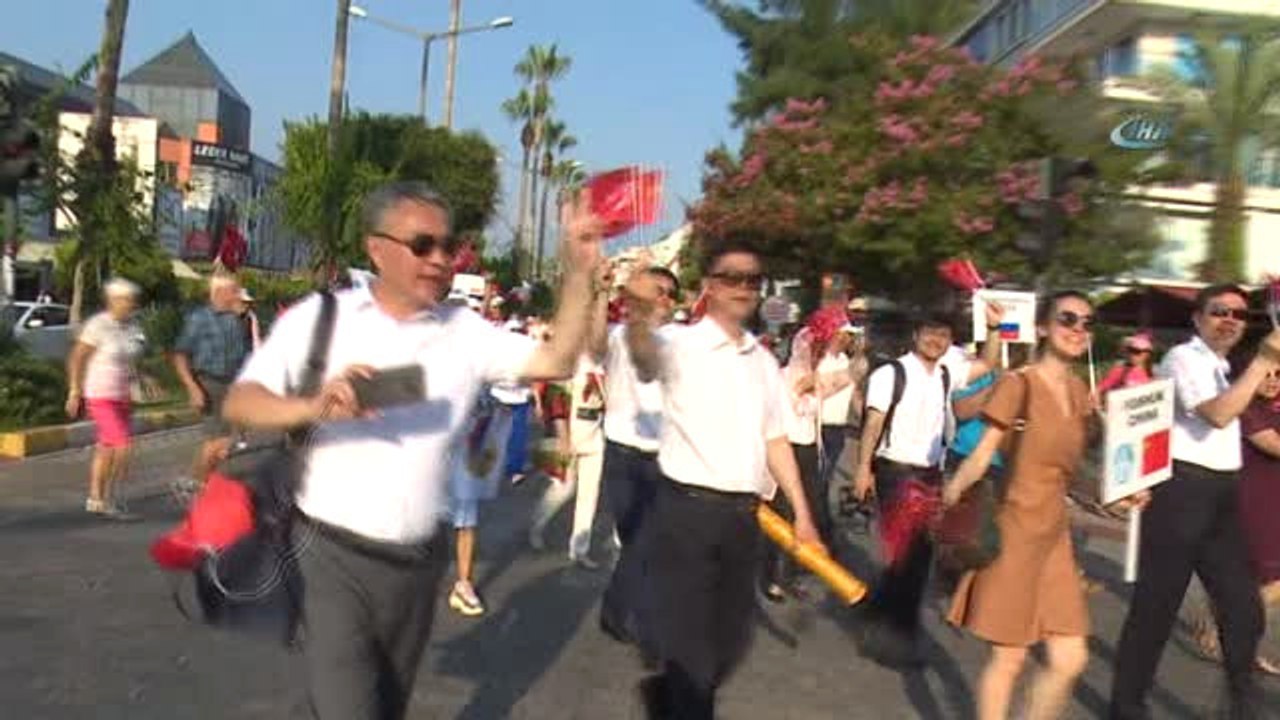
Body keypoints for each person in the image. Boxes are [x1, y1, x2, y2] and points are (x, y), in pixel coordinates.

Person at [222, 181, 604, 719]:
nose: (441, 260)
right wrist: (311, 405)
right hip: (329, 555)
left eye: (450, 247)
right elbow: (241, 402)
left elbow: (558, 360)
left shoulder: (466, 331)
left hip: (417, 560)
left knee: (382, 704)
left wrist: (581, 271)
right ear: (377, 248)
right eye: (423, 245)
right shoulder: (323, 317)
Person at [623, 239, 826, 719]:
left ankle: (666, 697)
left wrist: (802, 515)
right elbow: (642, 357)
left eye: (752, 280)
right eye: (731, 277)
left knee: (731, 644)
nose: (742, 287)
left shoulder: (762, 362)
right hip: (685, 513)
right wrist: (634, 306)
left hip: (745, 517)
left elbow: (777, 440)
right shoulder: (679, 344)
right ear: (710, 287)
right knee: (693, 654)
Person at [1110, 284, 1280, 720]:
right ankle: (1126, 707)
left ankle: (1241, 705)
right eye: (1219, 311)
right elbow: (1218, 414)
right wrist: (1262, 362)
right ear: (1198, 318)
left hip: (1223, 494)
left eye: (1238, 315)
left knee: (1244, 608)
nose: (1229, 320)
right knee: (1156, 609)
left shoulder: (1226, 366)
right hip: (1181, 491)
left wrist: (1261, 367)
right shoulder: (1183, 358)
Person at [943, 291, 1102, 720]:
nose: (1078, 329)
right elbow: (981, 456)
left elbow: (1072, 471)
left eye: (1087, 322)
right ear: (1044, 328)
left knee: (1071, 658)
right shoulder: (1019, 383)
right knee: (1010, 659)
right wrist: (947, 500)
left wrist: (1123, 494)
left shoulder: (1078, 390)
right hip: (1014, 533)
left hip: (1055, 537)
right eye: (1067, 319)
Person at [850, 304, 1005, 666]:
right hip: (896, 472)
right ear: (916, 334)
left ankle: (882, 617)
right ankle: (895, 635)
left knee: (915, 557)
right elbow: (873, 424)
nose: (936, 340)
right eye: (930, 332)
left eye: (944, 335)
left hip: (930, 473)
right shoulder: (892, 373)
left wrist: (994, 329)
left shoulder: (947, 372)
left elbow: (988, 364)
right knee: (909, 556)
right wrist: (862, 469)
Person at [598, 266, 679, 654]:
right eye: (656, 290)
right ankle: (621, 612)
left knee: (645, 540)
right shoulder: (618, 336)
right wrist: (600, 291)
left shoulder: (679, 342)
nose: (662, 299)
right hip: (621, 451)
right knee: (636, 538)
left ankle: (623, 613)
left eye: (669, 293)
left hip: (661, 456)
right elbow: (595, 340)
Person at [1186, 366, 1280, 674]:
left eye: (1278, 375)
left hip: (1273, 503)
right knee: (1271, 582)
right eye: (1266, 374)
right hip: (1252, 504)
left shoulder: (1273, 407)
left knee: (1257, 581)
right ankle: (1235, 638)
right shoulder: (1247, 410)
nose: (1272, 381)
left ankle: (1224, 625)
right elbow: (1273, 445)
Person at [64, 278, 146, 520]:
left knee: (106, 448)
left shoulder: (133, 326)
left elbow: (133, 358)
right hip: (100, 394)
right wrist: (74, 391)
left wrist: (143, 379)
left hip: (123, 395)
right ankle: (112, 499)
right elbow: (76, 358)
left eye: (133, 300)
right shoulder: (98, 325)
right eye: (127, 300)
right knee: (123, 445)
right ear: (113, 300)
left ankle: (95, 498)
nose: (132, 304)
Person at [528, 347, 608, 569]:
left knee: (589, 494)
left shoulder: (604, 362)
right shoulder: (569, 359)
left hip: (594, 436)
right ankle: (536, 525)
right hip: (564, 435)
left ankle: (579, 549)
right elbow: (555, 398)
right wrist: (563, 437)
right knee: (562, 489)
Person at [172, 273, 252, 493]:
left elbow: (240, 355)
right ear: (218, 293)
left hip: (230, 383)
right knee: (219, 440)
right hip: (208, 382)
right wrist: (192, 387)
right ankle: (195, 482)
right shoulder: (199, 318)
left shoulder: (234, 319)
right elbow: (180, 354)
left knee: (221, 440)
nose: (238, 294)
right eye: (233, 290)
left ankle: (198, 482)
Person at [1097, 331, 1154, 396]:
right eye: (1130, 350)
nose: (1132, 354)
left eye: (1137, 351)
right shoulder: (1120, 371)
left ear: (1147, 354)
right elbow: (1100, 388)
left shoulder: (1151, 376)